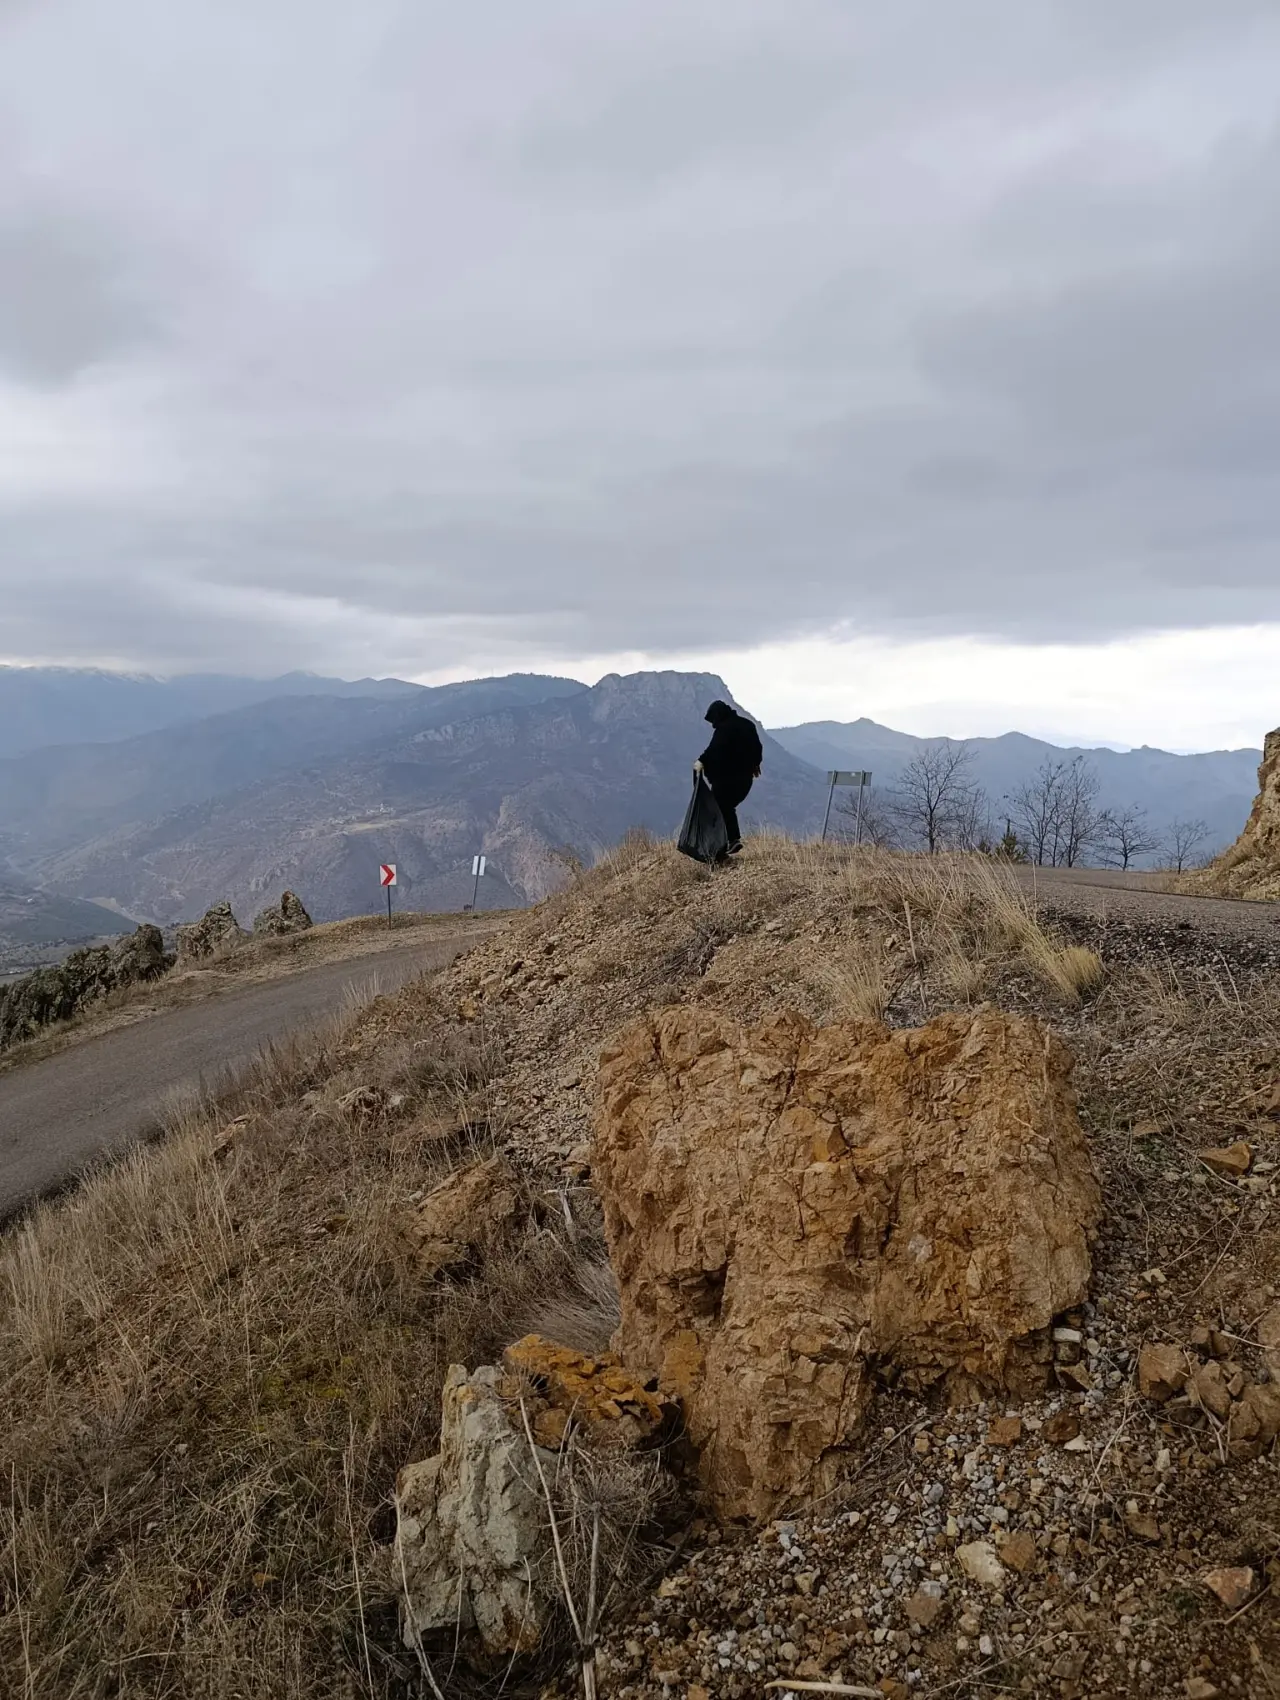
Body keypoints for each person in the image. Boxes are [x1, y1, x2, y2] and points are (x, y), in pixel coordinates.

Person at [694, 699, 763, 856]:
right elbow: (757, 748)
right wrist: (755, 764)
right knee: (725, 807)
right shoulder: (748, 725)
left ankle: (729, 842)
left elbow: (714, 750)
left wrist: (701, 762)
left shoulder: (724, 729)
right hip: (745, 780)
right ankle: (724, 844)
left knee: (720, 806)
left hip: (726, 779)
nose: (713, 724)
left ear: (718, 715)